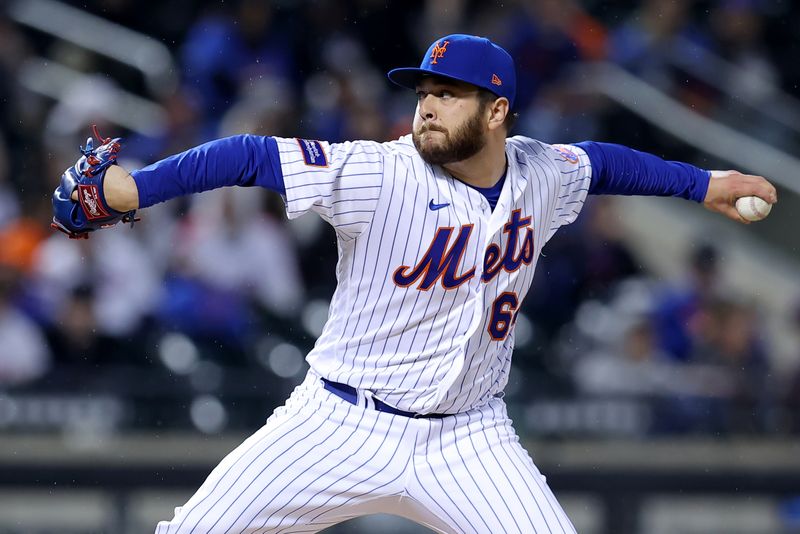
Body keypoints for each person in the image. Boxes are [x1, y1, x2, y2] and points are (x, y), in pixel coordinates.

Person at [51, 34, 777, 534]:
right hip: (337, 422)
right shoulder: (379, 171)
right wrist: (131, 188)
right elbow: (249, 154)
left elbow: (607, 162)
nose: (427, 105)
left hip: (469, 438)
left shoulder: (539, 174)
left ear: (498, 113)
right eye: (424, 91)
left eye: (451, 94)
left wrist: (705, 181)